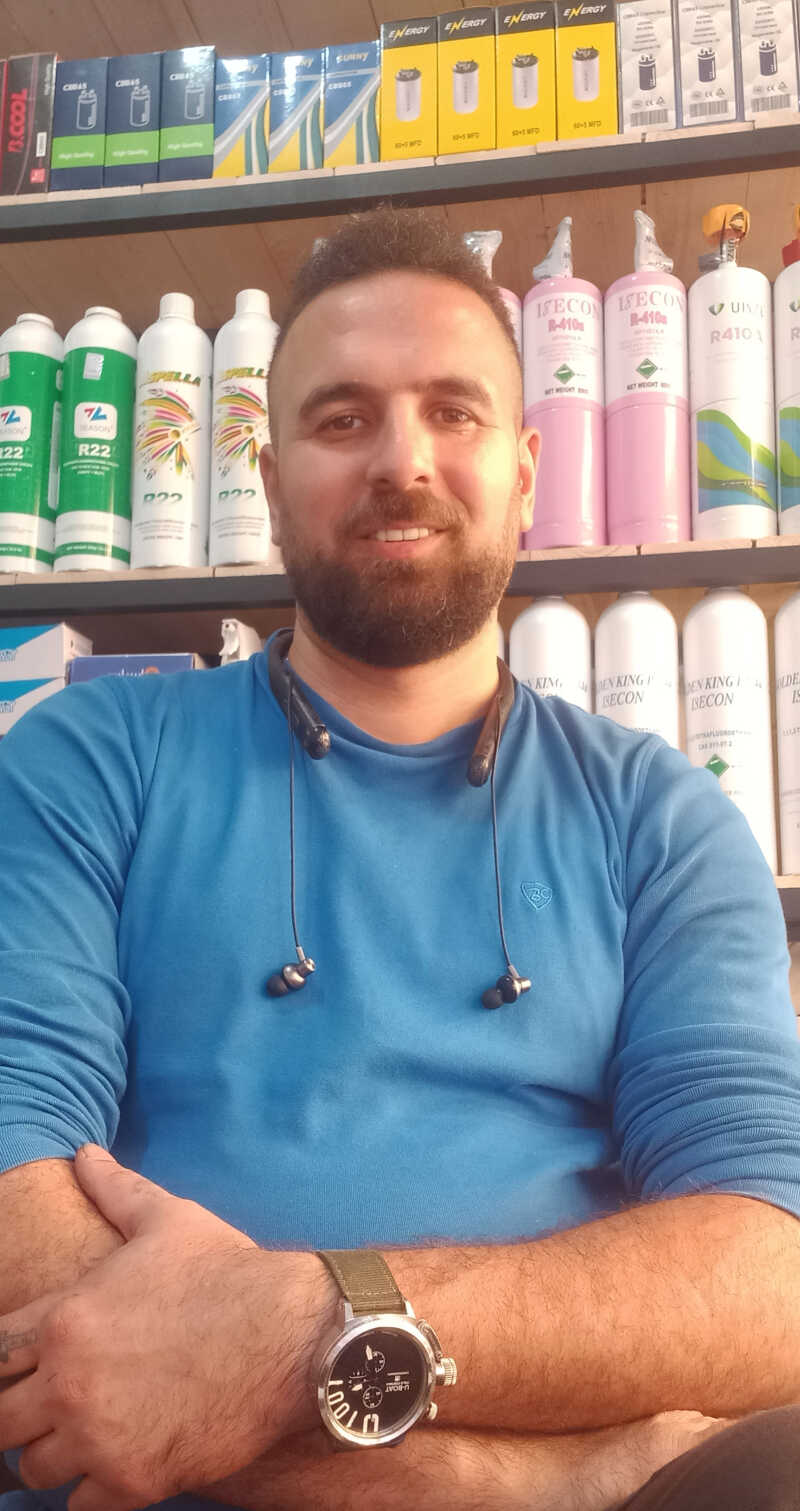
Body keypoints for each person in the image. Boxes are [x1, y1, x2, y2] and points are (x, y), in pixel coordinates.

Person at [1, 205, 800, 1511]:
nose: (402, 460)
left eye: (453, 411)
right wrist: (550, 1479)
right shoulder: (86, 761)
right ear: (269, 484)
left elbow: (767, 1273)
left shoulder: (663, 820)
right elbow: (10, 1203)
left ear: (526, 472)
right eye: (342, 419)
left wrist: (287, 1340)